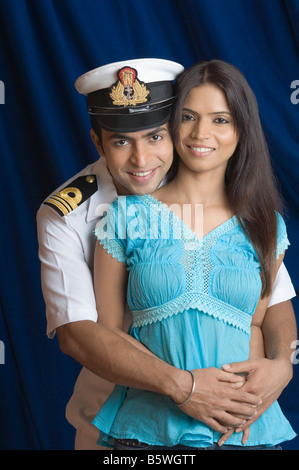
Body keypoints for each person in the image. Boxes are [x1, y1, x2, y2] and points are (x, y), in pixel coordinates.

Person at [36, 59, 297, 450]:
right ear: (98, 141)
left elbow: (269, 305)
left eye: (155, 137)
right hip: (123, 413)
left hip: (236, 426)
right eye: (122, 141)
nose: (143, 161)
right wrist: (188, 388)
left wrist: (280, 368)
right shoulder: (67, 216)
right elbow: (79, 336)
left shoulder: (230, 199)